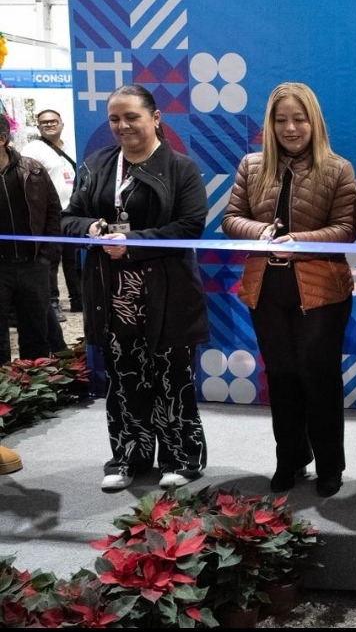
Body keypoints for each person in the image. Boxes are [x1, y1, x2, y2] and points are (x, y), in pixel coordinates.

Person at [61, 84, 208, 492]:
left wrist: (133, 242)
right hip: (111, 296)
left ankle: (182, 458)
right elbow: (68, 218)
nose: (122, 126)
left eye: (132, 117)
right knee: (124, 380)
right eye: (114, 119)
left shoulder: (181, 169)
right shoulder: (96, 166)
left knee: (172, 380)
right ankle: (128, 457)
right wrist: (91, 228)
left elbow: (190, 226)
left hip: (167, 294)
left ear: (155, 118)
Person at [222, 82, 356, 499]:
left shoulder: (338, 168)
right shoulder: (251, 165)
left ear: (313, 121)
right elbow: (231, 218)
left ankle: (330, 465)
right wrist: (260, 231)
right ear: (270, 124)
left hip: (321, 291)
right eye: (281, 120)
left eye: (299, 119)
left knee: (319, 377)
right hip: (267, 288)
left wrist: (300, 241)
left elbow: (347, 229)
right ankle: (290, 459)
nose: (290, 128)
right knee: (281, 377)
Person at [0, 113, 62, 363]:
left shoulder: (32, 169)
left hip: (33, 265)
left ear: (2, 138)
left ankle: (34, 381)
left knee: (36, 333)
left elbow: (53, 211)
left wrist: (46, 255)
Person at [22, 109, 81, 316]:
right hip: (49, 214)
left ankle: (78, 299)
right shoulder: (32, 149)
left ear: (62, 123)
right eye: (44, 122)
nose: (49, 125)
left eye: (53, 121)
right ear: (38, 126)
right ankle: (52, 303)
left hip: (72, 212)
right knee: (50, 260)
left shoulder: (71, 146)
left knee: (73, 258)